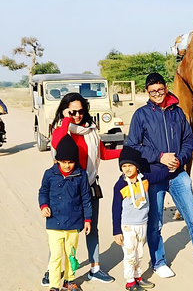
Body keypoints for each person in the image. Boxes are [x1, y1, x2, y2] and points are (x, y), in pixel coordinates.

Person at [126, 73, 193, 278]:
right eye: (152, 91)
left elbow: (187, 140)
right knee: (155, 223)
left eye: (160, 89)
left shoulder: (178, 113)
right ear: (147, 93)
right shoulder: (141, 115)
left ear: (165, 88)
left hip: (178, 175)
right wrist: (159, 157)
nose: (157, 94)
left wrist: (180, 159)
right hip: (154, 175)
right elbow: (133, 146)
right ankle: (158, 262)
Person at [41, 92, 120, 286]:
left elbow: (104, 153)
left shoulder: (91, 131)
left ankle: (95, 268)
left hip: (89, 185)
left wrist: (129, 151)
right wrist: (66, 118)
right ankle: (53, 270)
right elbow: (56, 142)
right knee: (60, 231)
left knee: (91, 228)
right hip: (65, 190)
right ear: (65, 111)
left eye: (80, 111)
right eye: (72, 111)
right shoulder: (62, 129)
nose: (77, 115)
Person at [38, 134, 92, 291]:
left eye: (70, 162)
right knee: (55, 256)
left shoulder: (81, 175)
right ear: (57, 160)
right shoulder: (49, 174)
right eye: (63, 162)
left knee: (71, 256)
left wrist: (87, 219)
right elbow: (43, 192)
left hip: (74, 223)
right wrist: (43, 206)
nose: (67, 165)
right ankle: (54, 285)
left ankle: (69, 280)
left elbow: (86, 198)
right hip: (54, 223)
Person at [112, 146, 169, 291]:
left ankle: (138, 277)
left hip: (142, 223)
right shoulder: (120, 185)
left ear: (137, 166)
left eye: (130, 165)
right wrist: (116, 231)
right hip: (127, 226)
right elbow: (116, 209)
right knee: (130, 254)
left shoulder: (145, 179)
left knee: (140, 252)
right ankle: (130, 281)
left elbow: (160, 175)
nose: (127, 169)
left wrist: (171, 166)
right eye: (124, 166)